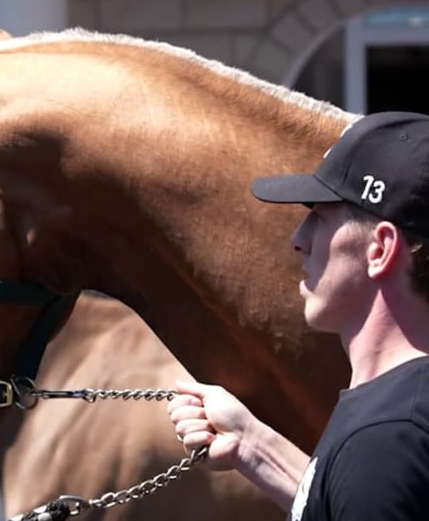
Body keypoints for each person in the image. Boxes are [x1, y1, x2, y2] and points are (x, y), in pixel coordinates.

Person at [168, 111, 429, 520]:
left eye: (321, 215)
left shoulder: (386, 440)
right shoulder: (395, 421)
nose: (298, 239)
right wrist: (249, 444)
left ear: (379, 250)